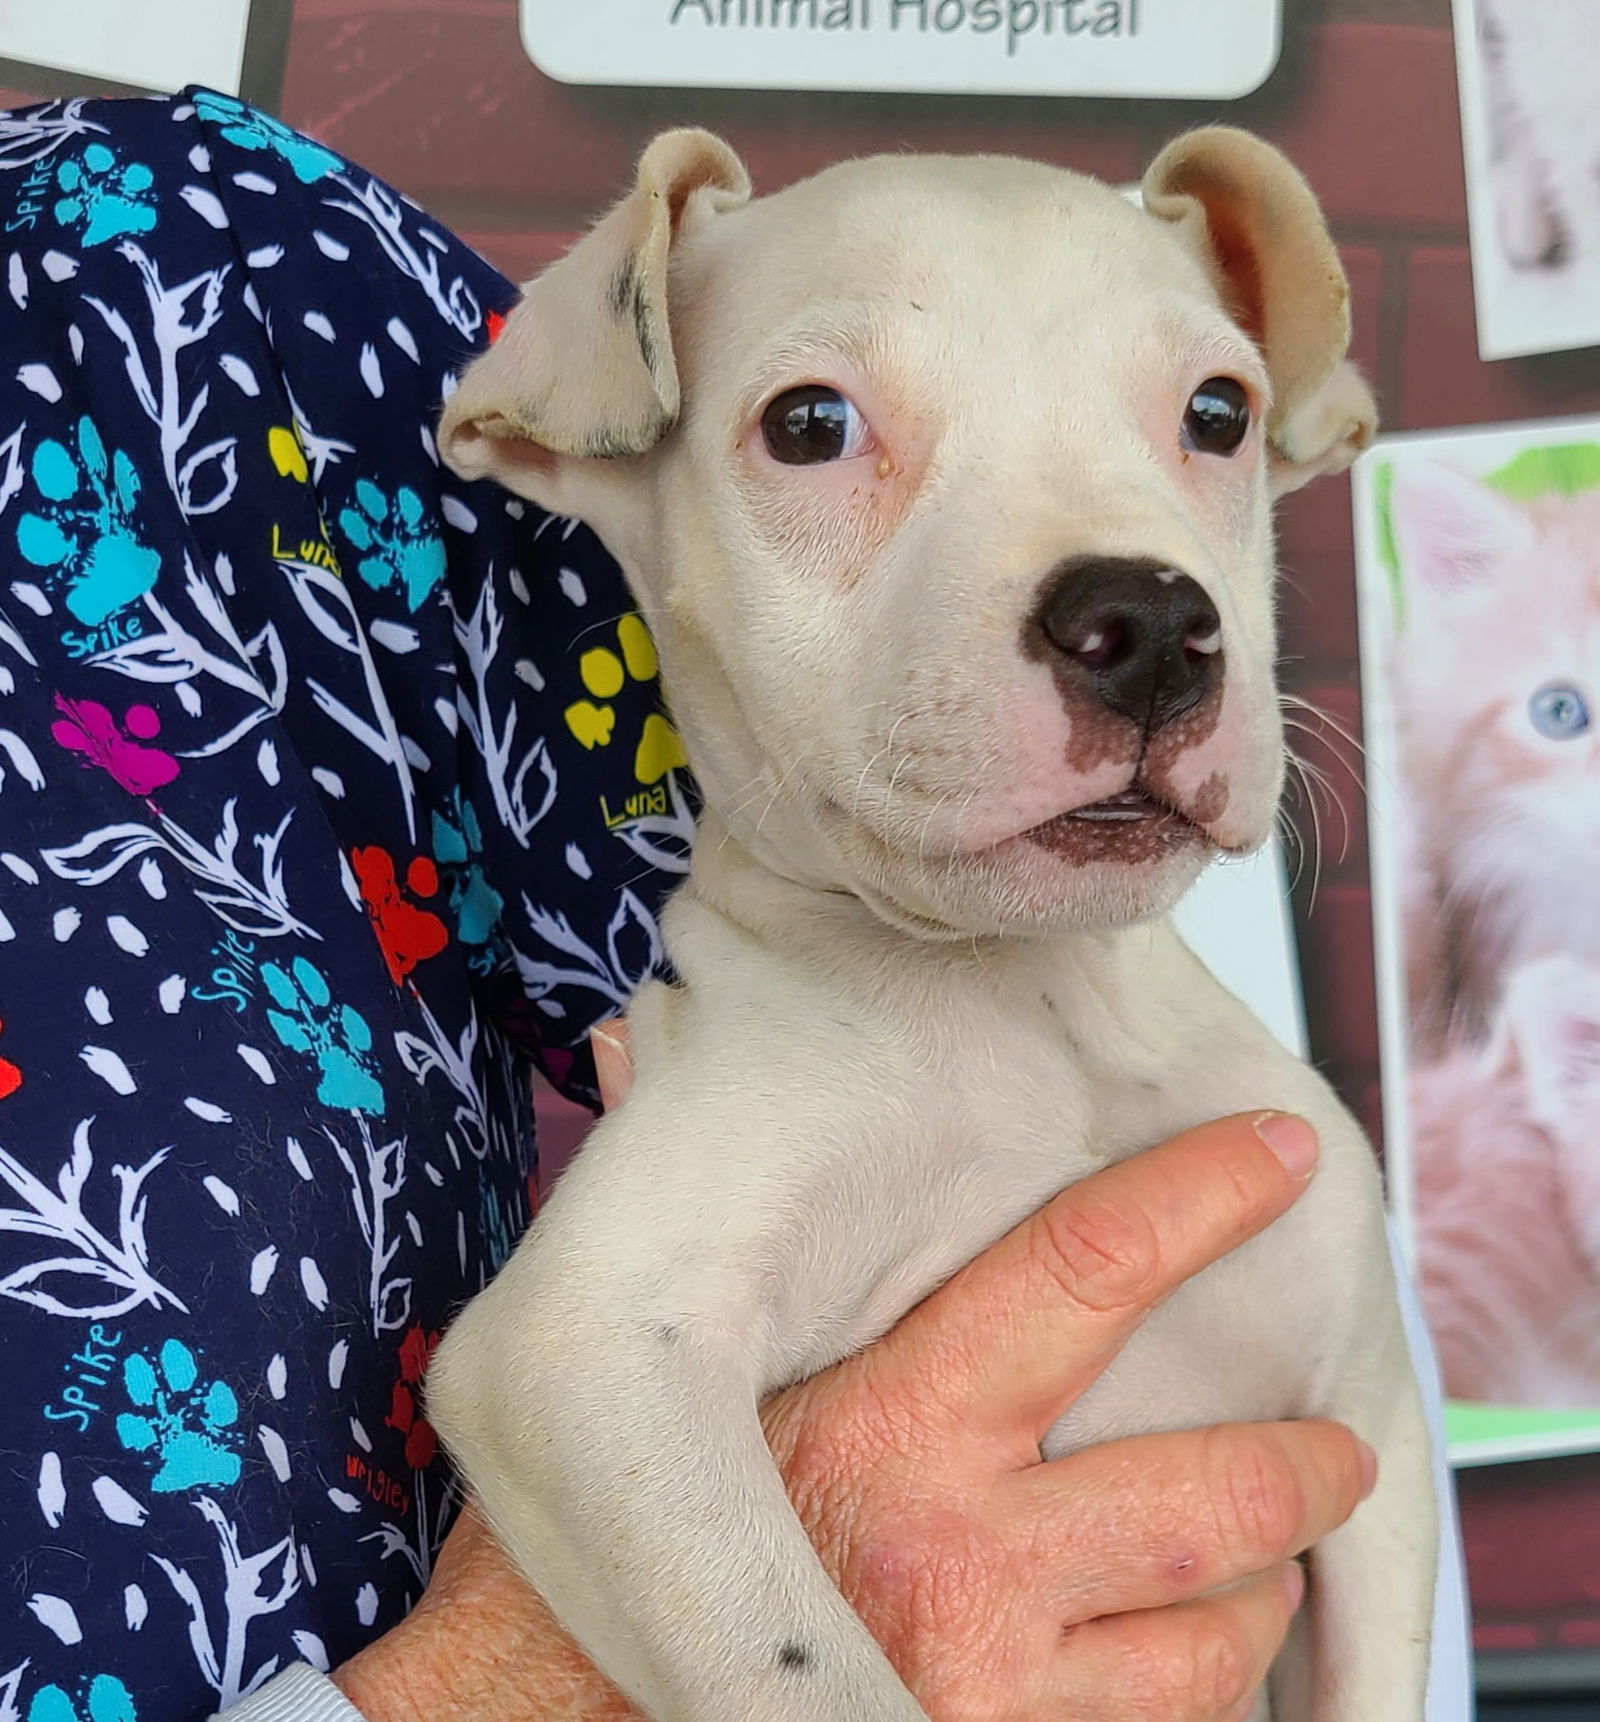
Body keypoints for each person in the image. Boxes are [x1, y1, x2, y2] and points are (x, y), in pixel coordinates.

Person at [0, 88, 1465, 1722]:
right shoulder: (804, 1054)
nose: (1133, 601)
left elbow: (1373, 1448)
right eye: (822, 427)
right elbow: (567, 1367)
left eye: (1206, 413)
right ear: (567, 444)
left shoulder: (177, 257)